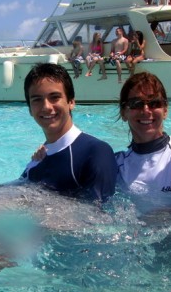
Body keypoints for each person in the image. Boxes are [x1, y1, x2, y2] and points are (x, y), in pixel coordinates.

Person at [21, 63, 117, 202]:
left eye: (54, 97)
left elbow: (101, 217)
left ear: (71, 102)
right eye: (37, 100)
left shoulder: (96, 152)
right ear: (30, 109)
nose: (46, 107)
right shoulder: (36, 162)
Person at [115, 72, 171, 211]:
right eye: (136, 104)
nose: (146, 110)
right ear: (123, 112)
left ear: (165, 110)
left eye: (154, 103)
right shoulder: (117, 167)